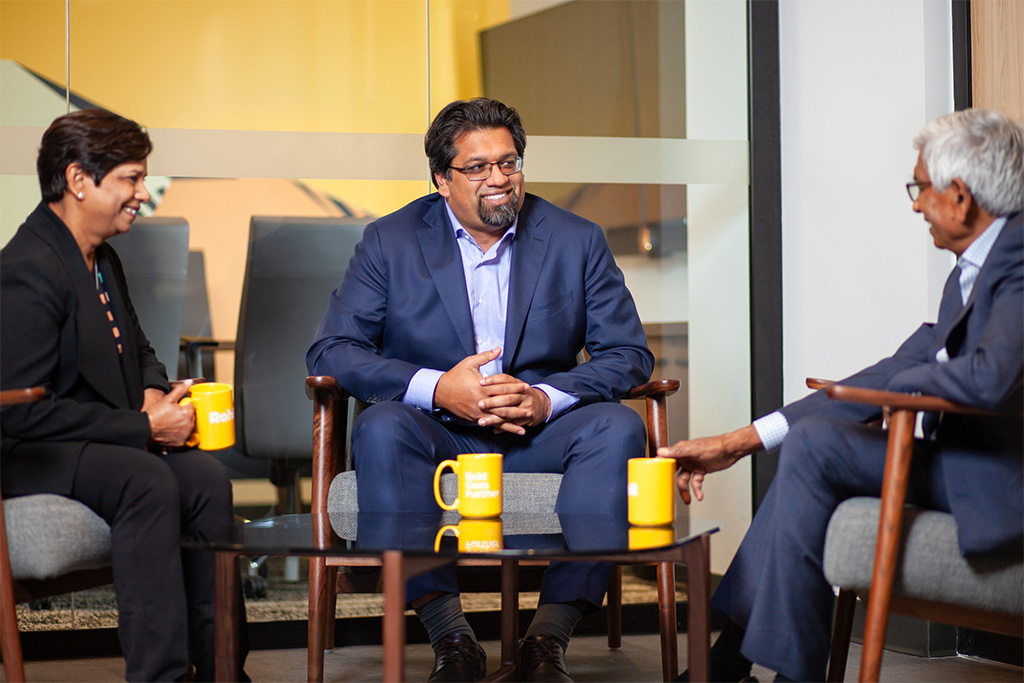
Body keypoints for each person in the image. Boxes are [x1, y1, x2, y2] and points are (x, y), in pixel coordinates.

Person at [658, 108, 1023, 682]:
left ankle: (749, 668)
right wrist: (739, 441)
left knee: (821, 446)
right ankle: (731, 661)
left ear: (959, 195)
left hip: (999, 478)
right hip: (957, 461)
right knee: (816, 443)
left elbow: (989, 377)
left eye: (919, 187)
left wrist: (902, 386)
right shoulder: (969, 271)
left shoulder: (1019, 260)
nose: (913, 203)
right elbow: (888, 373)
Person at [307, 97, 654, 682]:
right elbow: (332, 351)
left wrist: (546, 397)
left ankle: (549, 637)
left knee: (619, 425)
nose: (498, 178)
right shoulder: (389, 241)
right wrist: (440, 388)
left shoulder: (575, 239)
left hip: (538, 433)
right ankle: (452, 638)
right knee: (380, 425)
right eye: (477, 167)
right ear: (441, 180)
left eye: (509, 162)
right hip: (436, 432)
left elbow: (629, 353)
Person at [0, 109, 247, 682]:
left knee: (208, 481)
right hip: (32, 450)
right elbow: (24, 412)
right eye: (130, 179)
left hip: (92, 441)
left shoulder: (102, 258)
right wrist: (144, 429)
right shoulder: (27, 269)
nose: (141, 194)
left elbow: (140, 350)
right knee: (147, 479)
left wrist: (156, 394)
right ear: (78, 180)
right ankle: (160, 675)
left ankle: (223, 671)